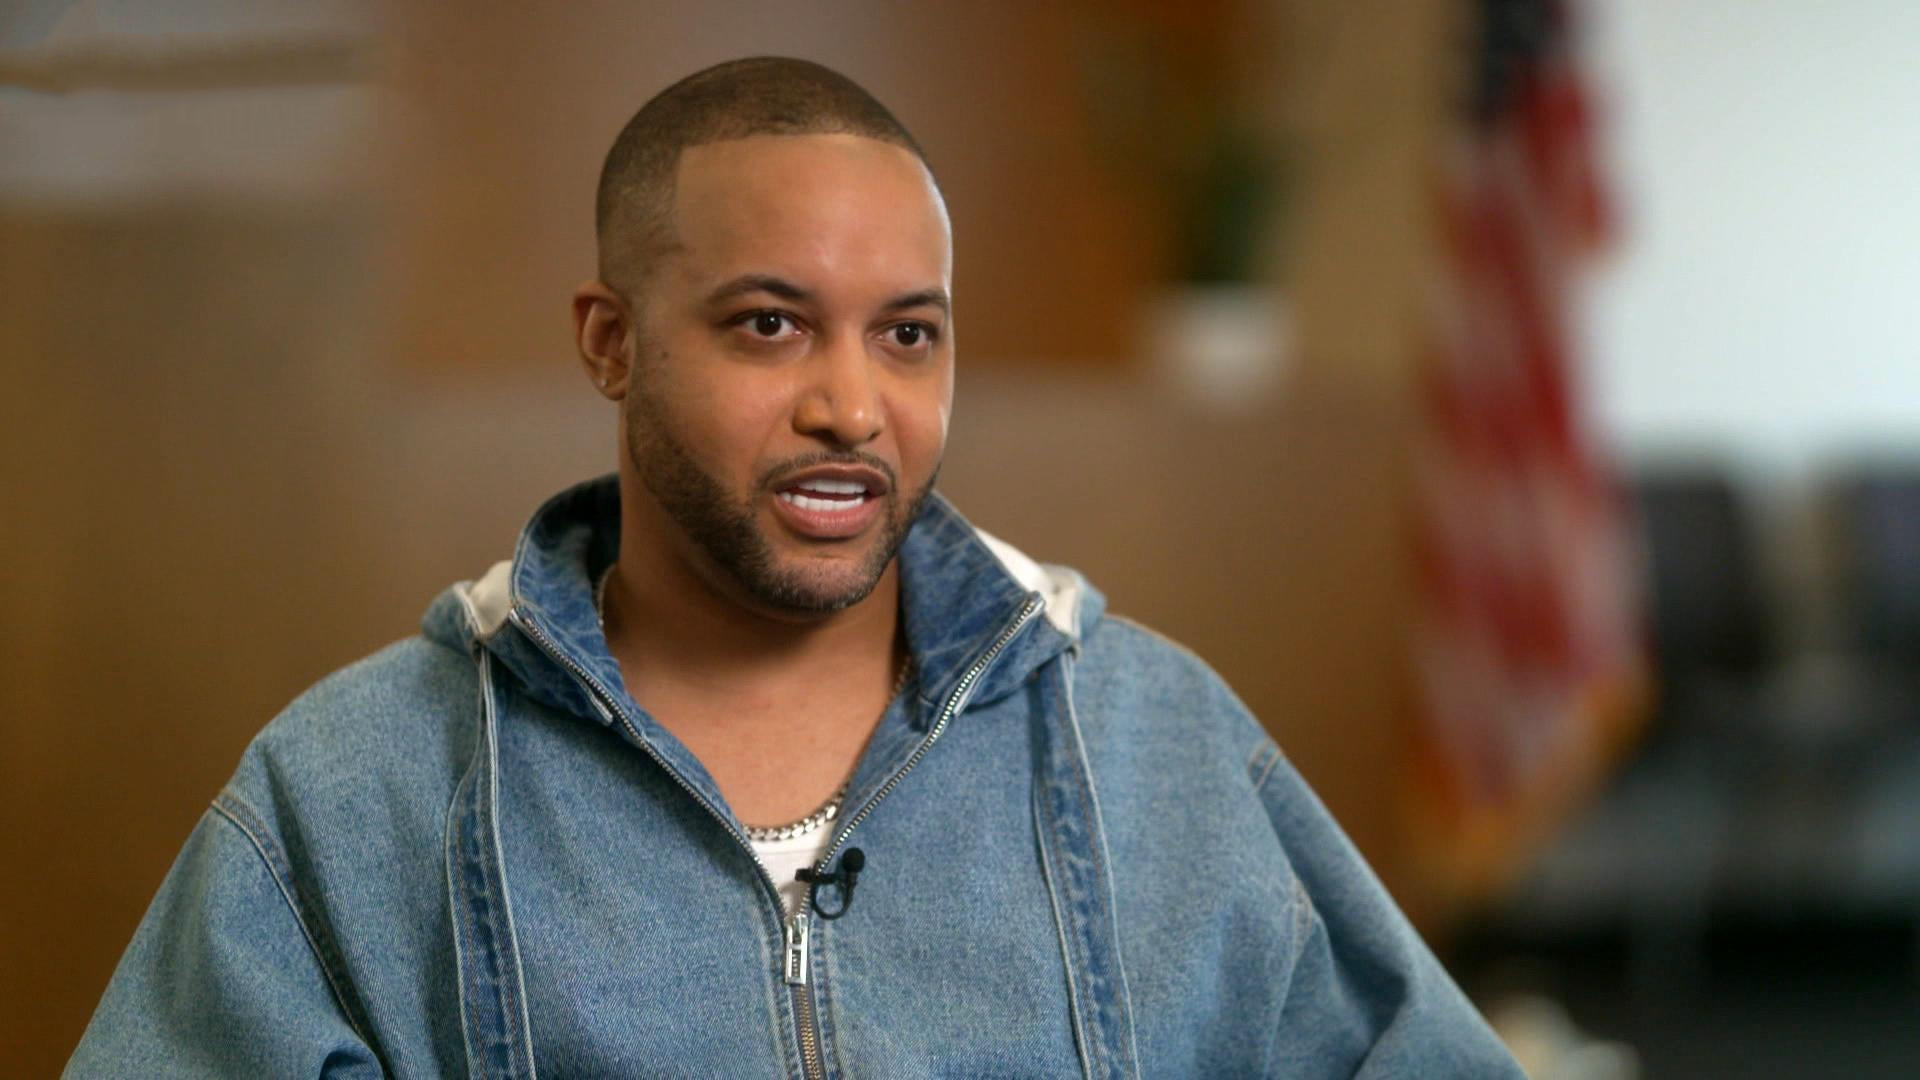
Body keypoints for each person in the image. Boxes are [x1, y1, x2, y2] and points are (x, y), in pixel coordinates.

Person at [69, 57, 1522, 1078]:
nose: (852, 406)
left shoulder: (1159, 744)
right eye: (769, 325)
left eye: (909, 334)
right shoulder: (353, 790)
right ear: (611, 343)